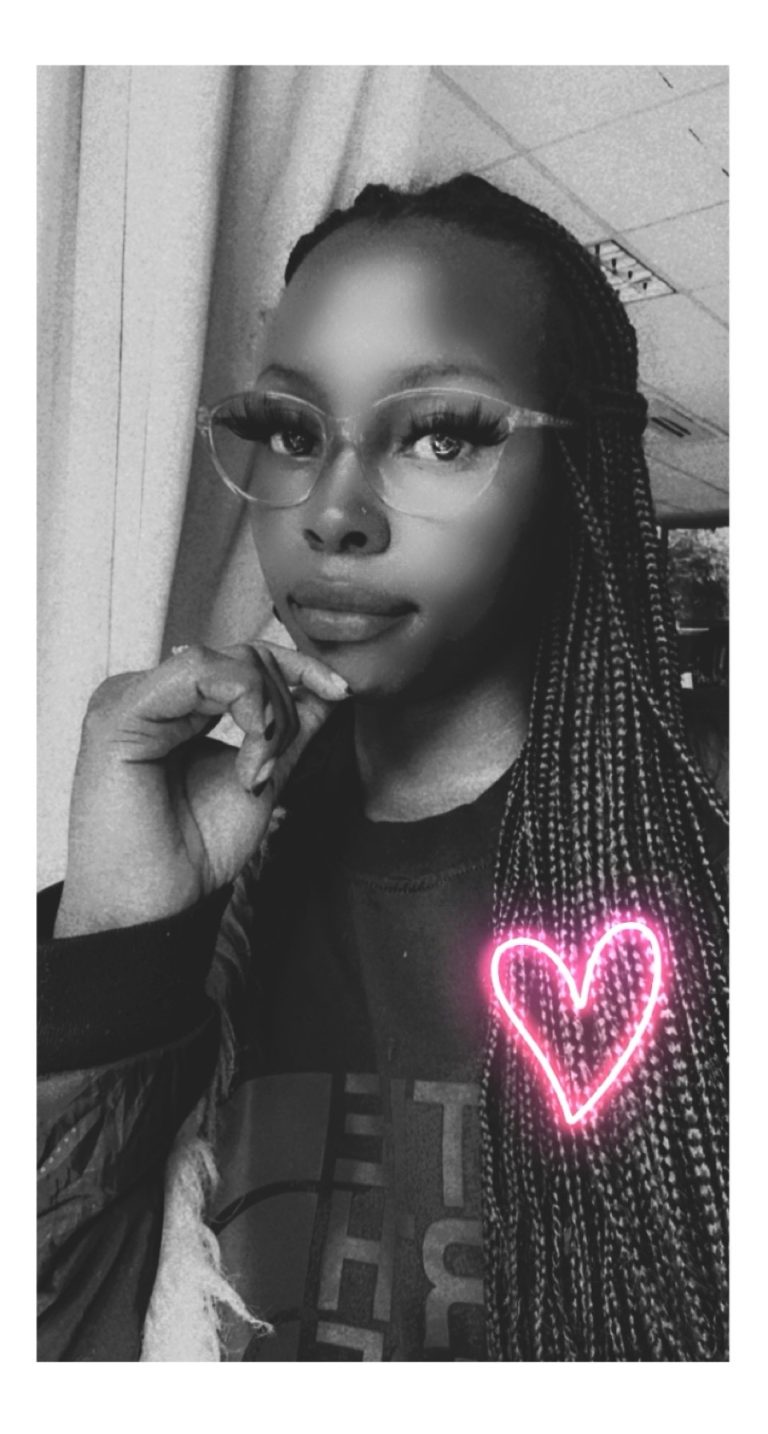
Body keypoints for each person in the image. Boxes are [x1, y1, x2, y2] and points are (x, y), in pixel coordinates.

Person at [38, 173, 729, 1362]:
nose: (331, 511)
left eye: (441, 434)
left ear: (577, 480)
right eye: (293, 431)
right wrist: (116, 936)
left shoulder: (713, 909)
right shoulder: (187, 878)